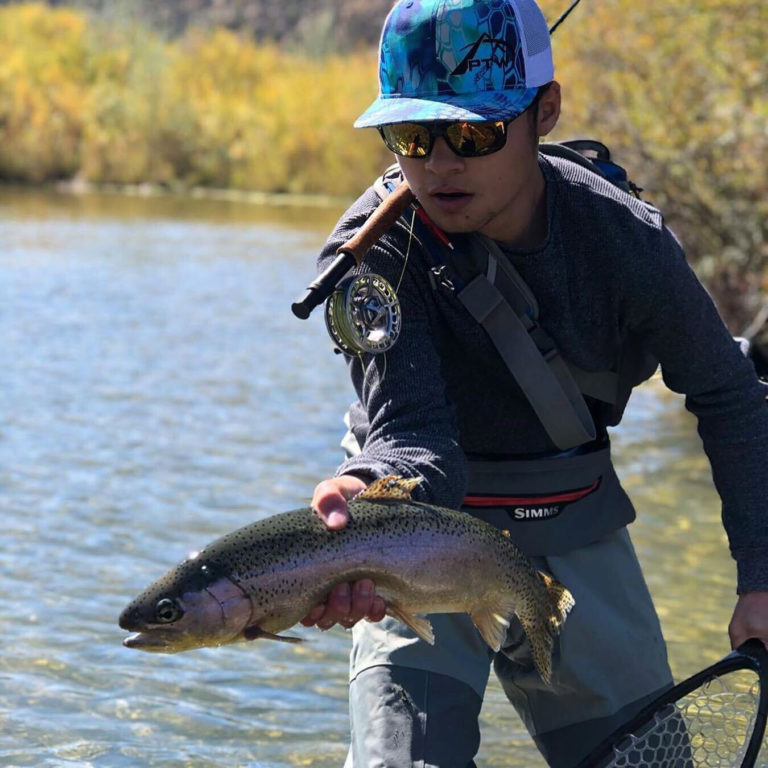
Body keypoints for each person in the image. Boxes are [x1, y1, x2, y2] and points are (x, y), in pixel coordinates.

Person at [300, 0, 768, 765]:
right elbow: (416, 441)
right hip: (421, 534)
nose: (441, 163)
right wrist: (368, 488)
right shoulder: (372, 257)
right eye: (413, 136)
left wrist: (762, 574)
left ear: (544, 111)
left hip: (574, 514)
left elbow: (728, 395)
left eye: (476, 133)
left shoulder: (627, 242)